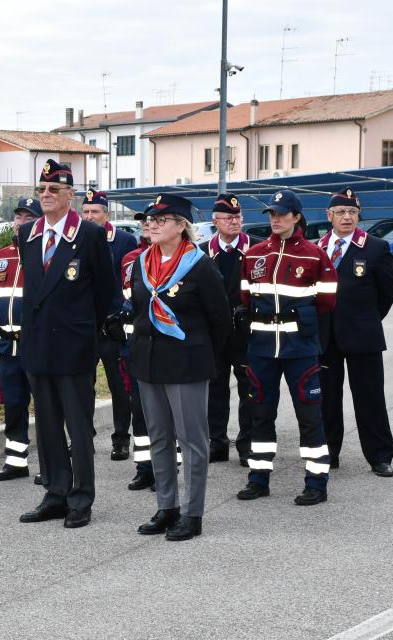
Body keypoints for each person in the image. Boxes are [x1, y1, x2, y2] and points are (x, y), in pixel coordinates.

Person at [17, 159, 114, 529]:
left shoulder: (87, 235)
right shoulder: (28, 235)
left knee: (78, 425)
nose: (45, 195)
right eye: (41, 189)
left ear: (69, 196)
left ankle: (80, 497)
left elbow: (105, 293)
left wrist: (89, 334)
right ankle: (55, 493)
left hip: (74, 347)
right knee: (46, 426)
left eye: (54, 190)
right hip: (38, 345)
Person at [128, 194, 231, 541]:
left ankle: (192, 512)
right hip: (149, 363)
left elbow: (221, 320)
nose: (152, 225)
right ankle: (166, 506)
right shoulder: (142, 263)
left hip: (187, 365)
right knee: (158, 438)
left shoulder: (200, 265)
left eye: (162, 220)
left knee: (192, 441)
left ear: (181, 226)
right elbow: (139, 311)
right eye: (150, 220)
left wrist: (200, 357)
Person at [236, 189, 337, 506]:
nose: (275, 219)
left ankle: (316, 483)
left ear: (296, 217)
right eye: (271, 214)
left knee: (310, 418)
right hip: (261, 350)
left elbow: (327, 300)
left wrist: (295, 321)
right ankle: (258, 479)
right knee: (260, 415)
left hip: (300, 350)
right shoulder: (253, 254)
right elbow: (245, 296)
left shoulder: (314, 255)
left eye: (282, 213)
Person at [318, 187, 393, 477]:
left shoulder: (375, 247)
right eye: (341, 212)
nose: (347, 217)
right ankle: (328, 452)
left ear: (358, 215)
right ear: (330, 216)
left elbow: (388, 291)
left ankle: (379, 456)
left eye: (352, 212)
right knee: (326, 398)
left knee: (370, 397)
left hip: (363, 335)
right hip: (325, 336)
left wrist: (368, 319)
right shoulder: (318, 247)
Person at [0, 197, 43, 481]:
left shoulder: (47, 254)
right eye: (19, 217)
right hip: (7, 345)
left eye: (29, 218)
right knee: (13, 402)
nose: (22, 222)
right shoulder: (1, 256)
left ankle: (50, 465)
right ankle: (16, 460)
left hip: (38, 344)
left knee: (46, 406)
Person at [81, 189, 138, 461]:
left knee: (119, 386)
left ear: (107, 214)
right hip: (84, 327)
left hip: (113, 328)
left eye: (95, 212)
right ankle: (84, 438)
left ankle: (120, 439)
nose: (90, 217)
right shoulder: (76, 239)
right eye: (86, 212)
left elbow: (126, 283)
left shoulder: (124, 241)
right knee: (82, 386)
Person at [199, 193, 253, 465]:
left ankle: (247, 444)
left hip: (246, 332)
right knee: (215, 388)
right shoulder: (201, 251)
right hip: (213, 334)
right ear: (215, 221)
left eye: (238, 217)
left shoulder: (256, 249)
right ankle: (216, 442)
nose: (235, 222)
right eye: (229, 218)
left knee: (249, 389)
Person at [118, 221, 155, 490]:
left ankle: (169, 468)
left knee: (166, 411)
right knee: (139, 409)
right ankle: (144, 468)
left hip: (166, 346)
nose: (148, 224)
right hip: (135, 344)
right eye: (146, 220)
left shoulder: (183, 257)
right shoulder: (130, 259)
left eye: (155, 219)